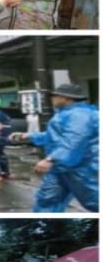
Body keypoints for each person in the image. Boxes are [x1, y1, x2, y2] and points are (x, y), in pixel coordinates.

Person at [10, 84, 98, 212]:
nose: (52, 99)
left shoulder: (80, 115)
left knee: (94, 201)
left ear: (66, 98)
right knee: (47, 200)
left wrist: (51, 159)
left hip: (80, 169)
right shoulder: (67, 114)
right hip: (61, 168)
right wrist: (29, 136)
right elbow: (54, 136)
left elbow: (74, 141)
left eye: (54, 96)